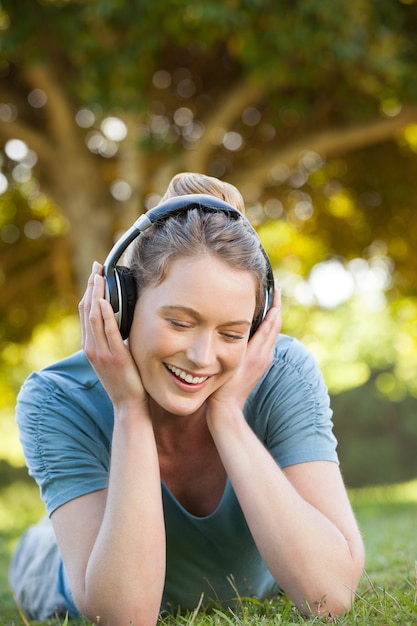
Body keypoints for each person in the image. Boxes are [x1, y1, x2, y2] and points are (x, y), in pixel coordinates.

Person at [9, 172, 364, 625]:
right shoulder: (56, 399)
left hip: (241, 575)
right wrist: (129, 409)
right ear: (123, 307)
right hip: (59, 571)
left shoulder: (284, 372)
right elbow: (125, 616)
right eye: (179, 323)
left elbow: (330, 597)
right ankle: (50, 532)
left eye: (232, 333)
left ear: (257, 329)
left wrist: (228, 413)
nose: (202, 357)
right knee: (53, 541)